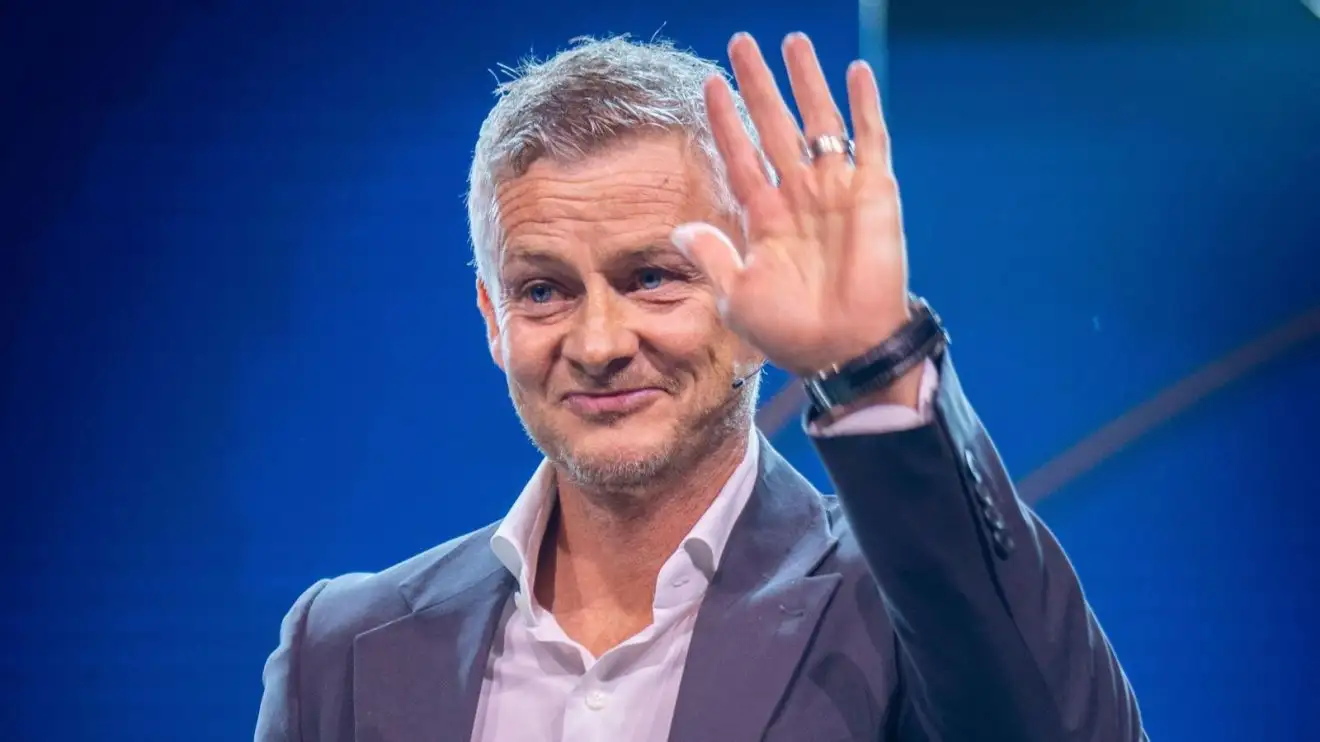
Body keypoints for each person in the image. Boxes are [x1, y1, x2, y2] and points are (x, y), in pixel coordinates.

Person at [254, 32, 1145, 741]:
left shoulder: (904, 610)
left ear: (751, 286)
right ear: (492, 317)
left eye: (653, 277)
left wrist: (873, 358)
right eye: (543, 290)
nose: (599, 342)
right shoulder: (340, 650)